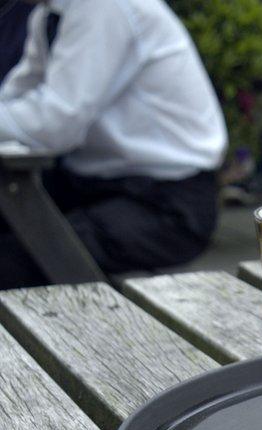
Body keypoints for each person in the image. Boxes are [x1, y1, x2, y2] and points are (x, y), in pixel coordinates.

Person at [0, 0, 227, 289]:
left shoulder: (103, 6)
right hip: (95, 186)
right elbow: (17, 99)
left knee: (15, 260)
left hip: (164, 203)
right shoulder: (50, 12)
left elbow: (57, 121)